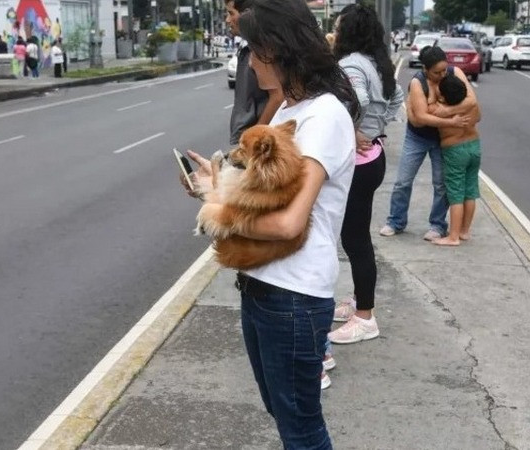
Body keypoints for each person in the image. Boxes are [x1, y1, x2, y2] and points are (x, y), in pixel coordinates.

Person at [181, 0, 359, 447]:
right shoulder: (287, 110)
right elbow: (264, 196)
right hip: (263, 287)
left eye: (254, 51)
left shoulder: (323, 116)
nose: (250, 62)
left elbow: (287, 223)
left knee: (301, 427)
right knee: (284, 416)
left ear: (280, 51)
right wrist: (216, 187)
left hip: (294, 295)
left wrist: (217, 216)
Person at [328, 4, 404, 351]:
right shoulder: (378, 62)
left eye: (339, 26)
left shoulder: (350, 64)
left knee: (355, 241)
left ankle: (365, 317)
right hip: (373, 156)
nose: (335, 30)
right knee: (357, 237)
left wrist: (355, 129)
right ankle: (360, 301)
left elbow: (352, 99)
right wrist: (375, 128)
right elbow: (397, 98)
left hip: (358, 162)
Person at [379, 45, 470, 241]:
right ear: (425, 69)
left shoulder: (455, 73)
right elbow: (419, 118)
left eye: (444, 69)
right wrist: (451, 119)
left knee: (441, 184)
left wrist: (437, 112)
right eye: (437, 72)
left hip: (444, 140)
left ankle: (437, 225)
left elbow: (471, 102)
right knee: (403, 181)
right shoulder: (418, 83)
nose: (442, 74)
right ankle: (396, 221)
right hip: (417, 138)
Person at [429, 73, 481, 246]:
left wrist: (436, 95)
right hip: (474, 145)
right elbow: (478, 117)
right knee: (470, 190)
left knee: (456, 193)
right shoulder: (471, 106)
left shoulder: (439, 110)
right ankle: (465, 232)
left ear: (443, 95)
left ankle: (453, 237)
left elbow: (427, 111)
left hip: (455, 150)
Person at [224, 0, 283, 147]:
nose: (227, 20)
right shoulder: (248, 48)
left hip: (259, 145)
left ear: (247, 15)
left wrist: (255, 138)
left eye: (231, 13)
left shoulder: (259, 50)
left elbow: (277, 96)